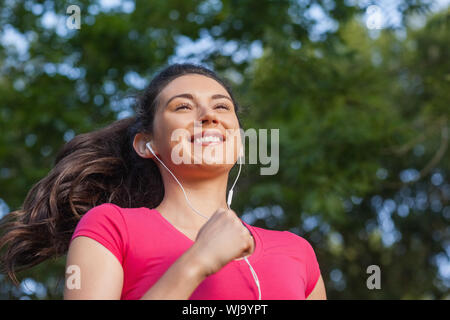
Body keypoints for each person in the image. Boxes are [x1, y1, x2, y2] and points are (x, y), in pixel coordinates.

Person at [0, 63, 326, 300]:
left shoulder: (297, 251)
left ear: (240, 140)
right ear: (147, 144)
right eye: (183, 106)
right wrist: (196, 263)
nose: (208, 115)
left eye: (222, 106)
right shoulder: (110, 226)